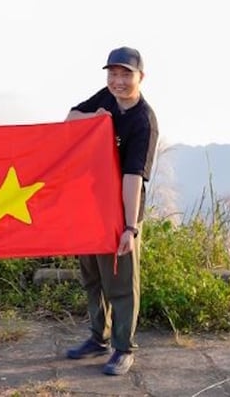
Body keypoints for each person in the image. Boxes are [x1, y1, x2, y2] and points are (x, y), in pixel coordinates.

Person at [64, 46, 159, 375]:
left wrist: (129, 228)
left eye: (125, 74)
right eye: (113, 73)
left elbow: (133, 177)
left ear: (140, 77)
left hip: (121, 211)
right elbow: (70, 118)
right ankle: (97, 337)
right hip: (90, 205)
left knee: (120, 281)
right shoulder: (105, 97)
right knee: (91, 275)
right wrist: (95, 118)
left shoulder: (143, 121)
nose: (118, 81)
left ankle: (122, 348)